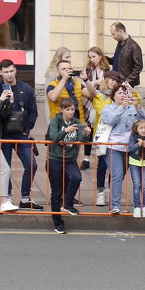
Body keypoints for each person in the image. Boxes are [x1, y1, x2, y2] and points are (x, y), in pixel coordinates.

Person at [0, 59, 40, 210]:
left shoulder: (26, 88)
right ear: (1, 73)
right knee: (6, 168)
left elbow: (33, 112)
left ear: (16, 70)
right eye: (6, 72)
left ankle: (24, 198)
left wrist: (26, 129)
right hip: (4, 135)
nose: (9, 75)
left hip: (22, 134)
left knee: (32, 165)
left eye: (11, 71)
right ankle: (7, 197)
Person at [99, 83, 145, 215]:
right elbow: (109, 120)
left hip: (129, 147)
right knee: (117, 175)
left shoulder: (131, 108)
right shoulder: (108, 108)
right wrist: (121, 108)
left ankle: (114, 202)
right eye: (119, 93)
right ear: (113, 96)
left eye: (124, 93)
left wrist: (138, 106)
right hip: (113, 147)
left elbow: (143, 122)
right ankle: (114, 206)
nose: (123, 96)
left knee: (120, 176)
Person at [45, 98, 90, 232]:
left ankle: (67, 203)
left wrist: (86, 134)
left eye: (72, 109)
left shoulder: (76, 122)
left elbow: (81, 139)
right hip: (55, 159)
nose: (71, 112)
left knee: (77, 177)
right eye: (68, 109)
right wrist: (66, 130)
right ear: (62, 110)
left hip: (70, 158)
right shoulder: (56, 120)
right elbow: (53, 137)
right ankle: (58, 222)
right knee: (56, 192)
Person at [79, 47, 110, 169]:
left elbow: (108, 85)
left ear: (100, 56)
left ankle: (101, 156)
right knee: (89, 128)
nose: (92, 59)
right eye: (90, 57)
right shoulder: (88, 70)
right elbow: (83, 84)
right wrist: (95, 82)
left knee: (100, 126)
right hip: (88, 100)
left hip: (101, 99)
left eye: (94, 56)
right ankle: (86, 158)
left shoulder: (106, 70)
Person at [0, 72, 16, 213]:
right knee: (5, 169)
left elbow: (2, 116)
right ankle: (5, 201)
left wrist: (10, 102)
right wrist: (0, 100)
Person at [109, 22, 143, 86]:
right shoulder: (120, 44)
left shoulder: (133, 46)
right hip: (117, 81)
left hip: (125, 84)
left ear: (120, 32)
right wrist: (103, 58)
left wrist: (127, 81)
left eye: (113, 34)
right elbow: (116, 60)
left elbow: (138, 67)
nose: (113, 37)